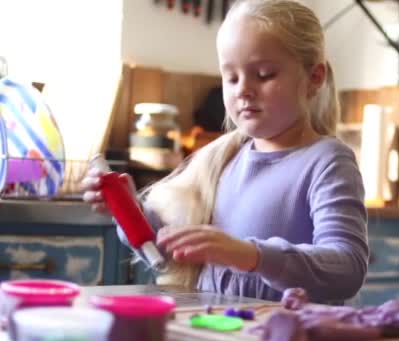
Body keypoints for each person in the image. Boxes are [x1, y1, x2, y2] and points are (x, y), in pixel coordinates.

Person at [82, 0, 368, 303]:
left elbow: (347, 268)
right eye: (231, 77)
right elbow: (163, 252)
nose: (243, 89)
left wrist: (251, 255)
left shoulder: (327, 161)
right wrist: (128, 211)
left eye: (265, 74)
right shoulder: (222, 157)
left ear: (314, 78)